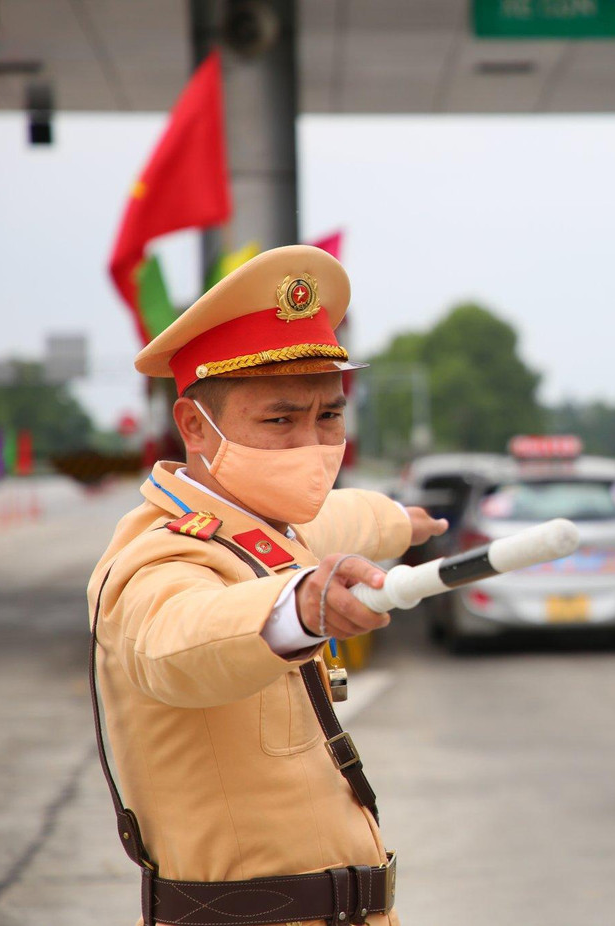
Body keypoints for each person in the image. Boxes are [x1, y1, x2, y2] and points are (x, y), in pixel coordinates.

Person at [87, 244, 445, 926]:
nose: (311, 445)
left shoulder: (270, 527)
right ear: (194, 425)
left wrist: (402, 521)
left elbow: (345, 515)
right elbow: (176, 643)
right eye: (280, 420)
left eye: (329, 417)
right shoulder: (155, 560)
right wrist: (301, 606)